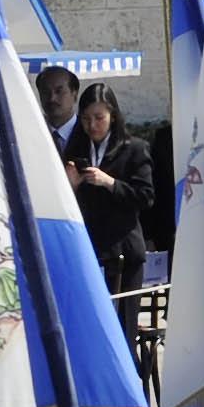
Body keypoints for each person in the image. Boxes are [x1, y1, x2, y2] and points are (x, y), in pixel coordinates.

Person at [64, 85, 154, 295]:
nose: (92, 125)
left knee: (124, 322)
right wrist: (72, 186)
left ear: (112, 116)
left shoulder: (134, 149)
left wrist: (110, 183)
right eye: (86, 119)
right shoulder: (75, 149)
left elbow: (146, 197)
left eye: (99, 118)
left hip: (123, 251)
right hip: (89, 249)